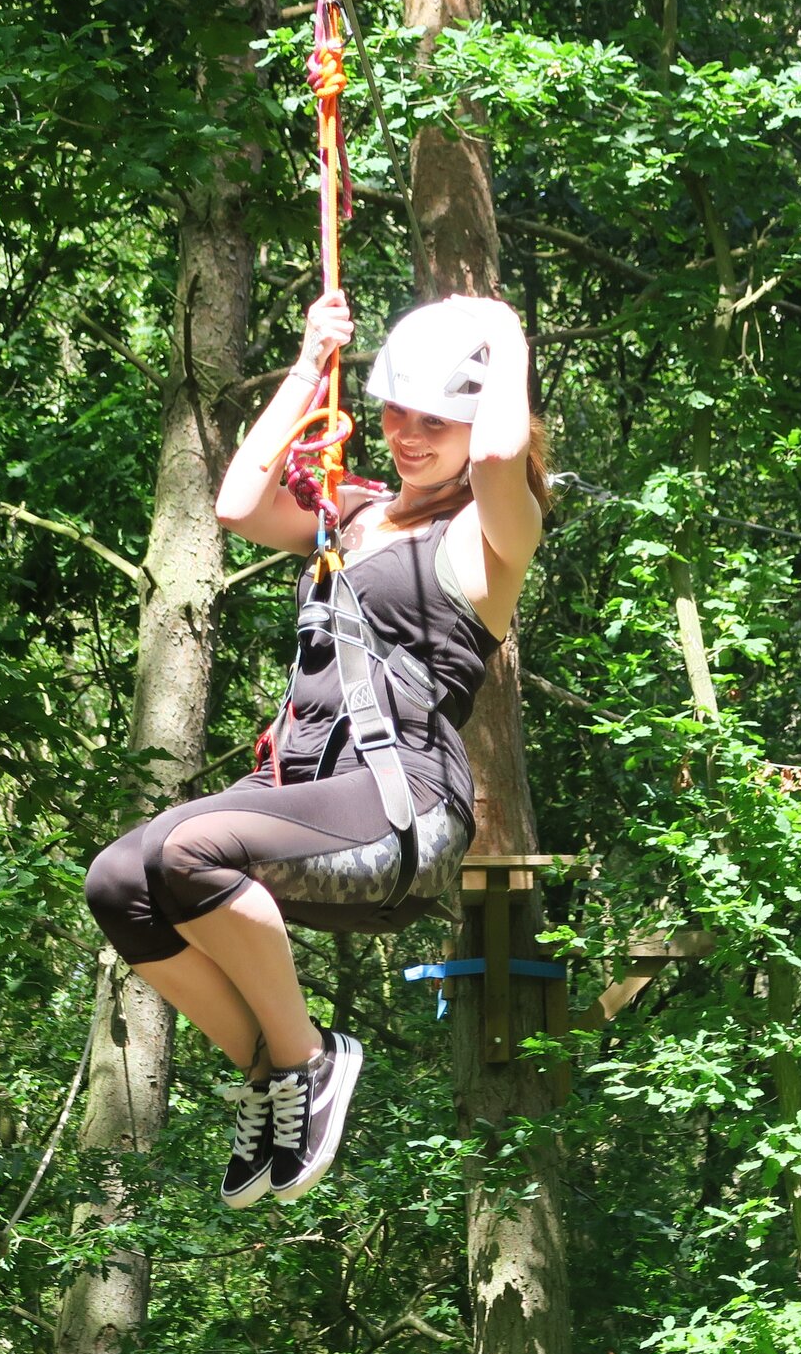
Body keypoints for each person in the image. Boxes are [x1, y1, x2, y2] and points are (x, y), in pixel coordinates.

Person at [84, 290, 544, 1208]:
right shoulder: (356, 513)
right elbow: (237, 503)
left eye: (436, 419)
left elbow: (498, 451)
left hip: (400, 803)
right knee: (118, 885)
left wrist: (499, 325)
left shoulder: (492, 535)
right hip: (310, 788)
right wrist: (307, 363)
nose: (410, 435)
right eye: (396, 412)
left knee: (186, 854)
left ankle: (312, 1057)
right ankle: (270, 1069)